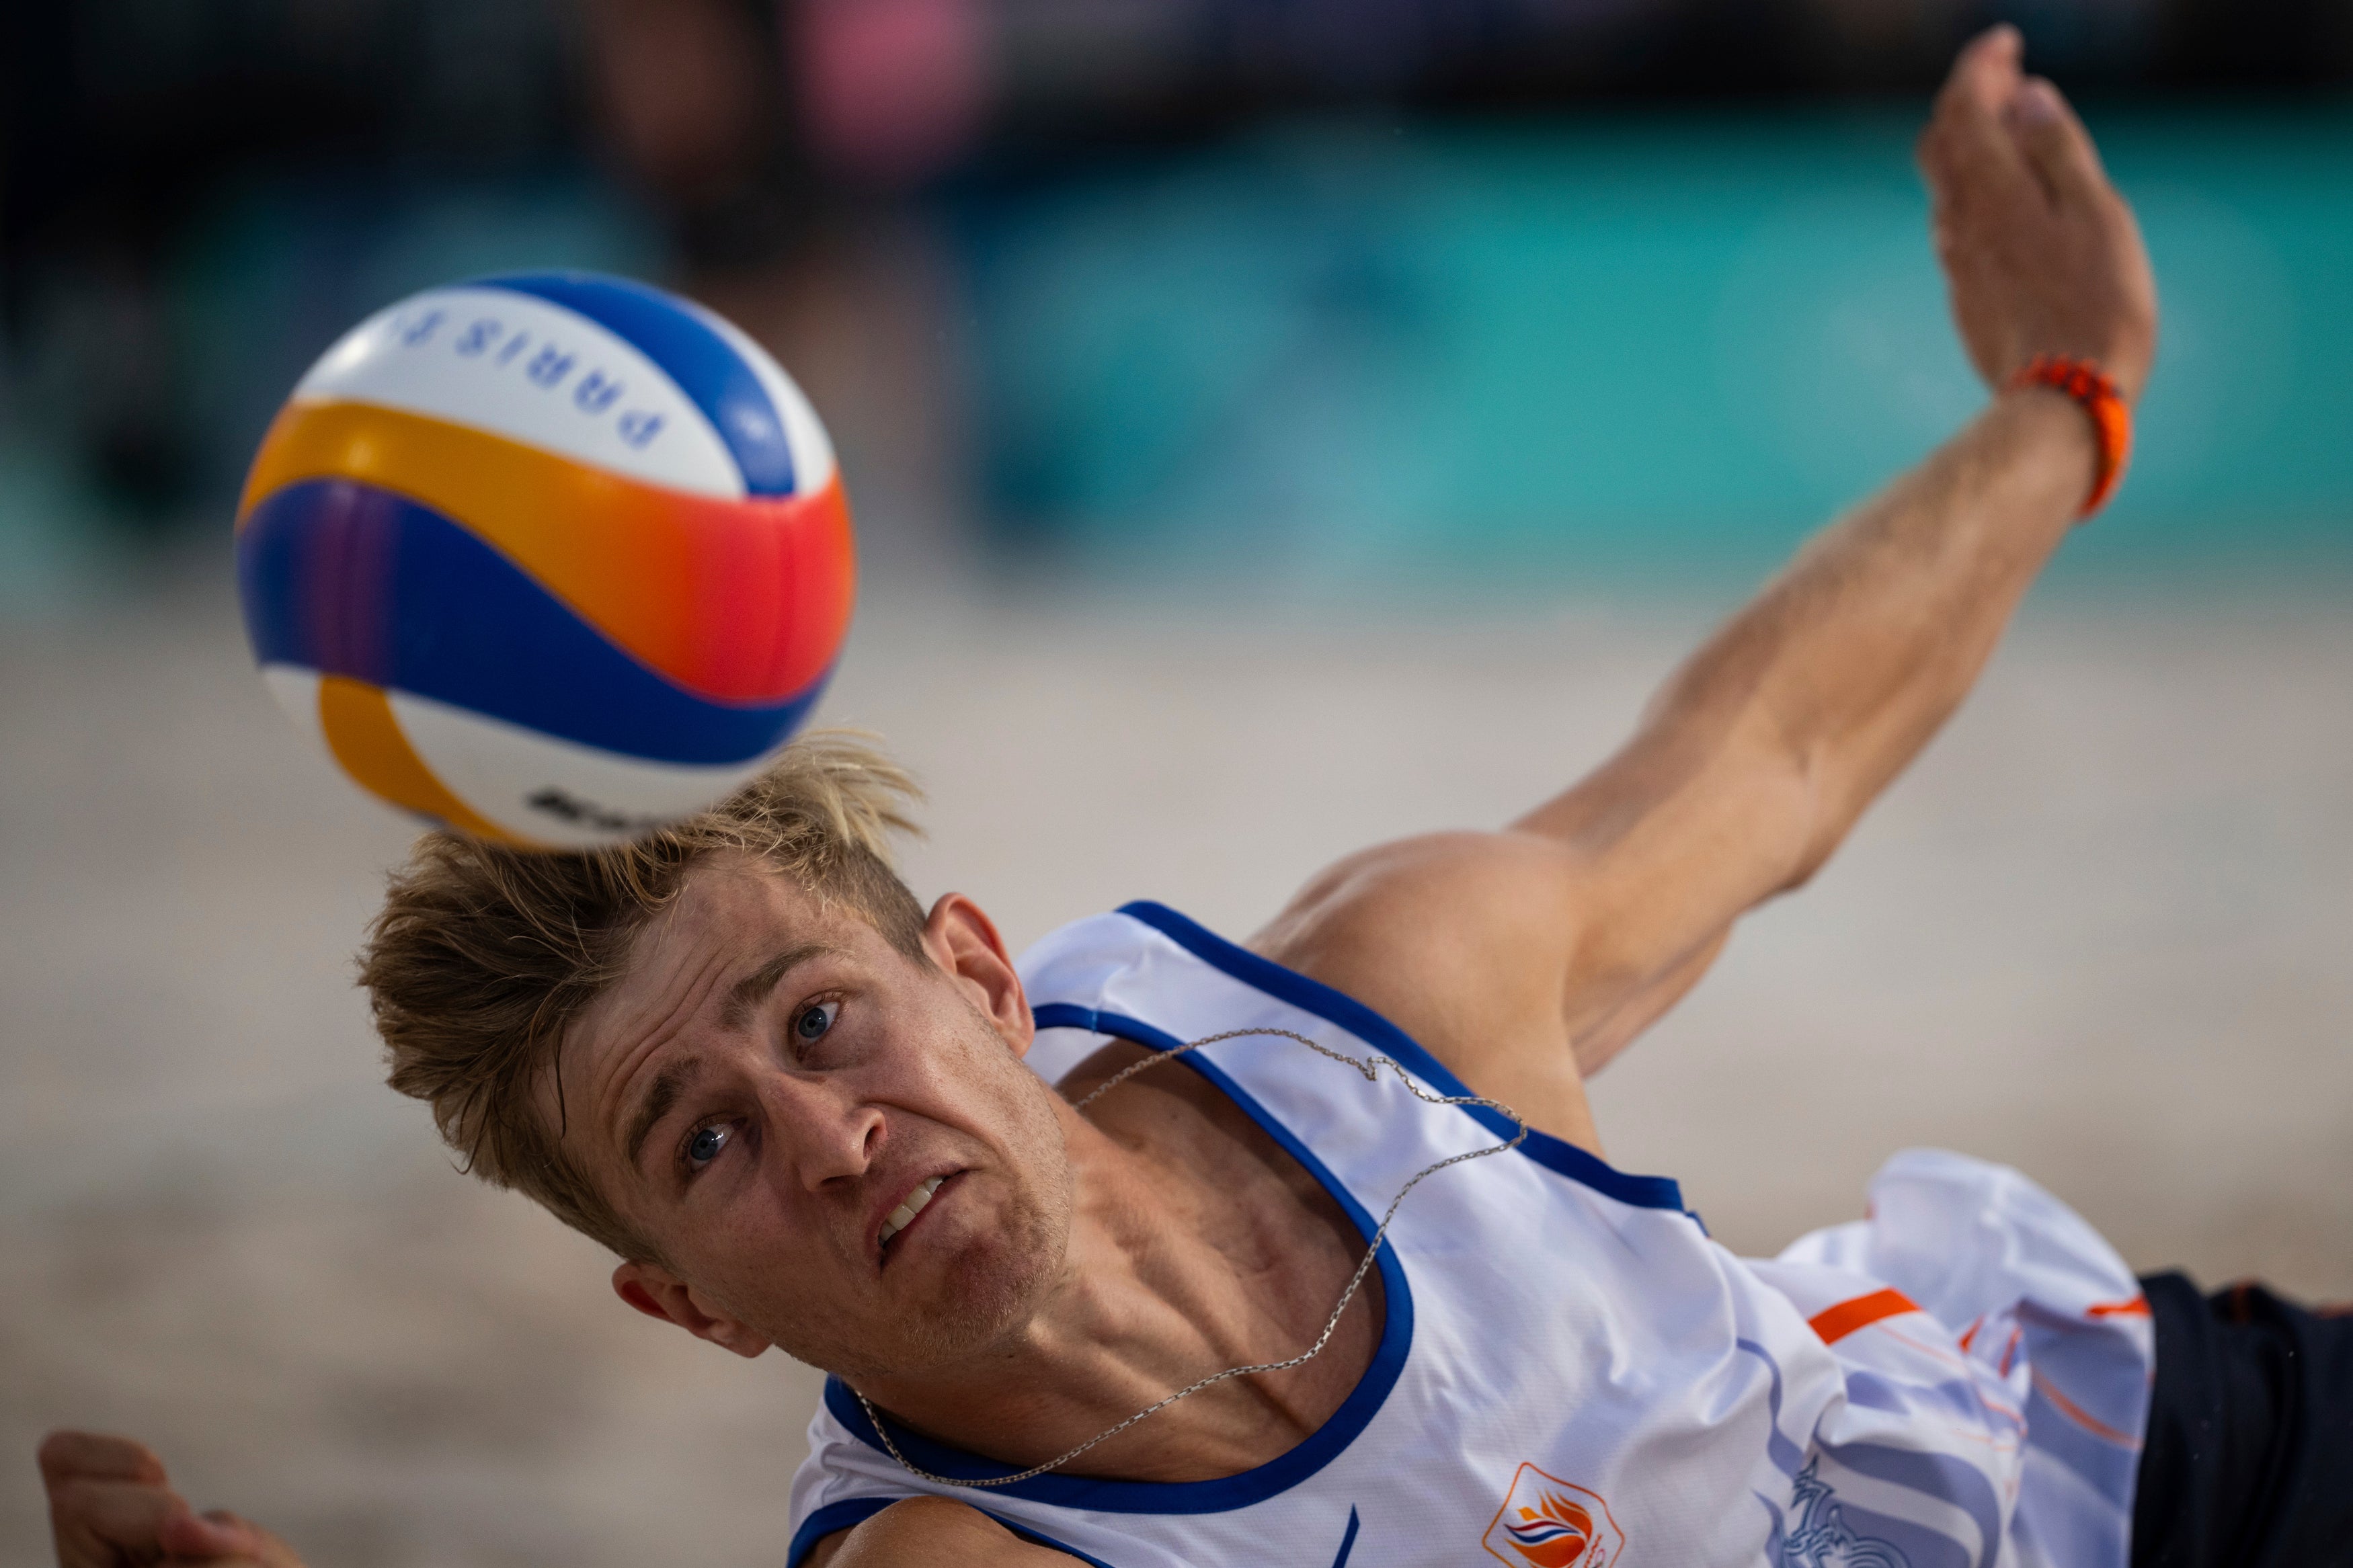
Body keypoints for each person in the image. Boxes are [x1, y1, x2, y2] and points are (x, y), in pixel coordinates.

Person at [36, 26, 2351, 1568]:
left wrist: (2068, 400)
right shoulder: (970, 1556)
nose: (827, 1134)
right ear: (685, 1307)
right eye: (709, 1140)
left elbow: (1775, 750)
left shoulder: (1374, 1004)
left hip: (2159, 1465)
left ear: (972, 966)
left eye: (819, 1023)